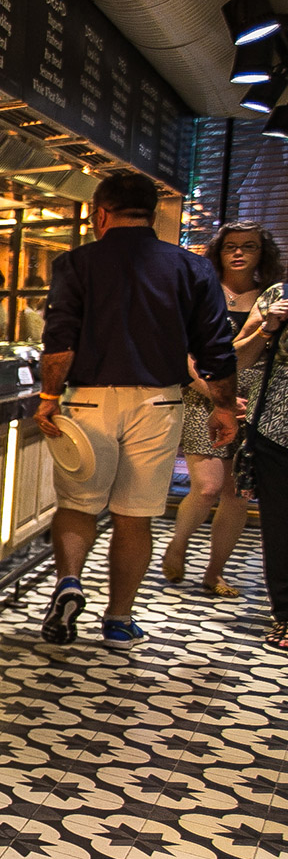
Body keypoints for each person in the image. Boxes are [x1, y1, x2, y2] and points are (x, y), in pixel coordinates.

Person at [35, 171, 238, 649]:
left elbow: (59, 339)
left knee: (77, 504)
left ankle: (69, 583)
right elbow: (215, 347)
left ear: (100, 214)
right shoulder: (192, 268)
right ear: (153, 214)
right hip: (159, 402)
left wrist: (48, 398)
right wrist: (224, 407)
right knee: (134, 515)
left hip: (88, 401)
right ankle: (119, 620)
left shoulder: (76, 263)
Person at [160, 221, 282, 596]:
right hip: (204, 394)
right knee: (208, 487)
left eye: (249, 246)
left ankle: (215, 572)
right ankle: (178, 544)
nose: (239, 253)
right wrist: (217, 396)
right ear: (219, 252)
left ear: (263, 253)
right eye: (231, 246)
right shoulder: (201, 292)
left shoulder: (271, 297)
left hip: (255, 400)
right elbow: (185, 353)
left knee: (237, 492)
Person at [230, 225, 288, 650]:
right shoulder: (277, 296)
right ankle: (285, 615)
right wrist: (268, 327)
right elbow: (235, 358)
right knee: (280, 526)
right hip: (276, 428)